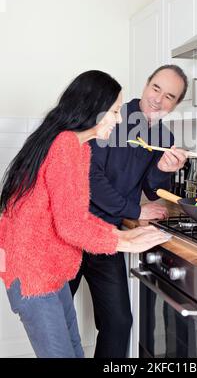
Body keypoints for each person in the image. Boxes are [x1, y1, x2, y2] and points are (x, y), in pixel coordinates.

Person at [0, 70, 170, 358]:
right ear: (94, 108)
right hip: (33, 275)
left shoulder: (76, 147)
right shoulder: (65, 145)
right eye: (115, 112)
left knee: (75, 351)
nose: (119, 120)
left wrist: (119, 234)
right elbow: (71, 226)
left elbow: (75, 214)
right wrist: (125, 242)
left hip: (49, 270)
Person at [70, 64, 189, 358]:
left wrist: (163, 169)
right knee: (57, 318)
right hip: (71, 230)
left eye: (169, 96)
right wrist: (135, 210)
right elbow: (90, 175)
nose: (158, 100)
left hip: (109, 235)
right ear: (146, 84)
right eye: (156, 88)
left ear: (175, 105)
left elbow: (151, 188)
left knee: (119, 322)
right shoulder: (112, 116)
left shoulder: (164, 138)